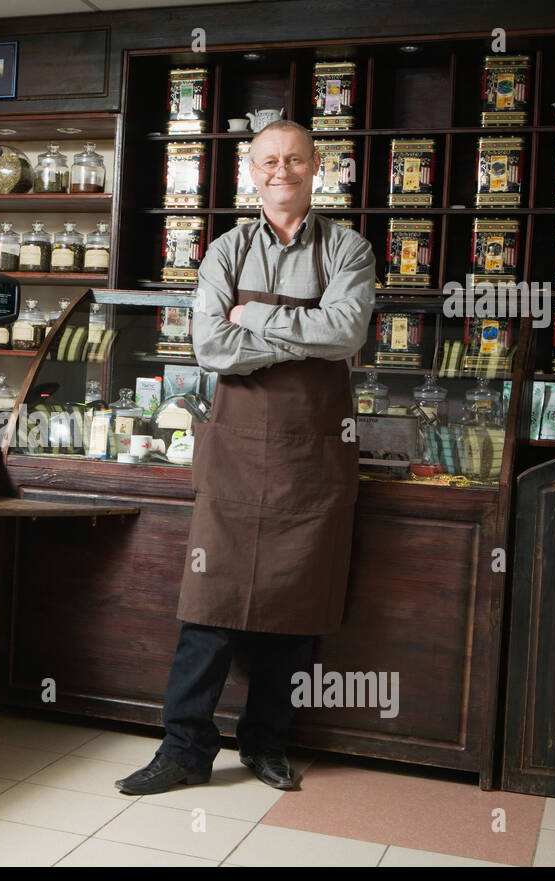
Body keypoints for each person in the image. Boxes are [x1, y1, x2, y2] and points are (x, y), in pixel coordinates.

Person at [116, 119, 376, 795]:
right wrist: (301, 333)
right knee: (209, 607)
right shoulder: (224, 251)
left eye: (294, 159)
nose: (280, 170)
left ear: (317, 166)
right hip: (235, 455)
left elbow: (346, 332)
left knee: (296, 613)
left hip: (313, 459)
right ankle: (184, 749)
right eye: (268, 160)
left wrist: (253, 318)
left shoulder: (349, 250)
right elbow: (209, 349)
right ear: (250, 171)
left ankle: (267, 744)